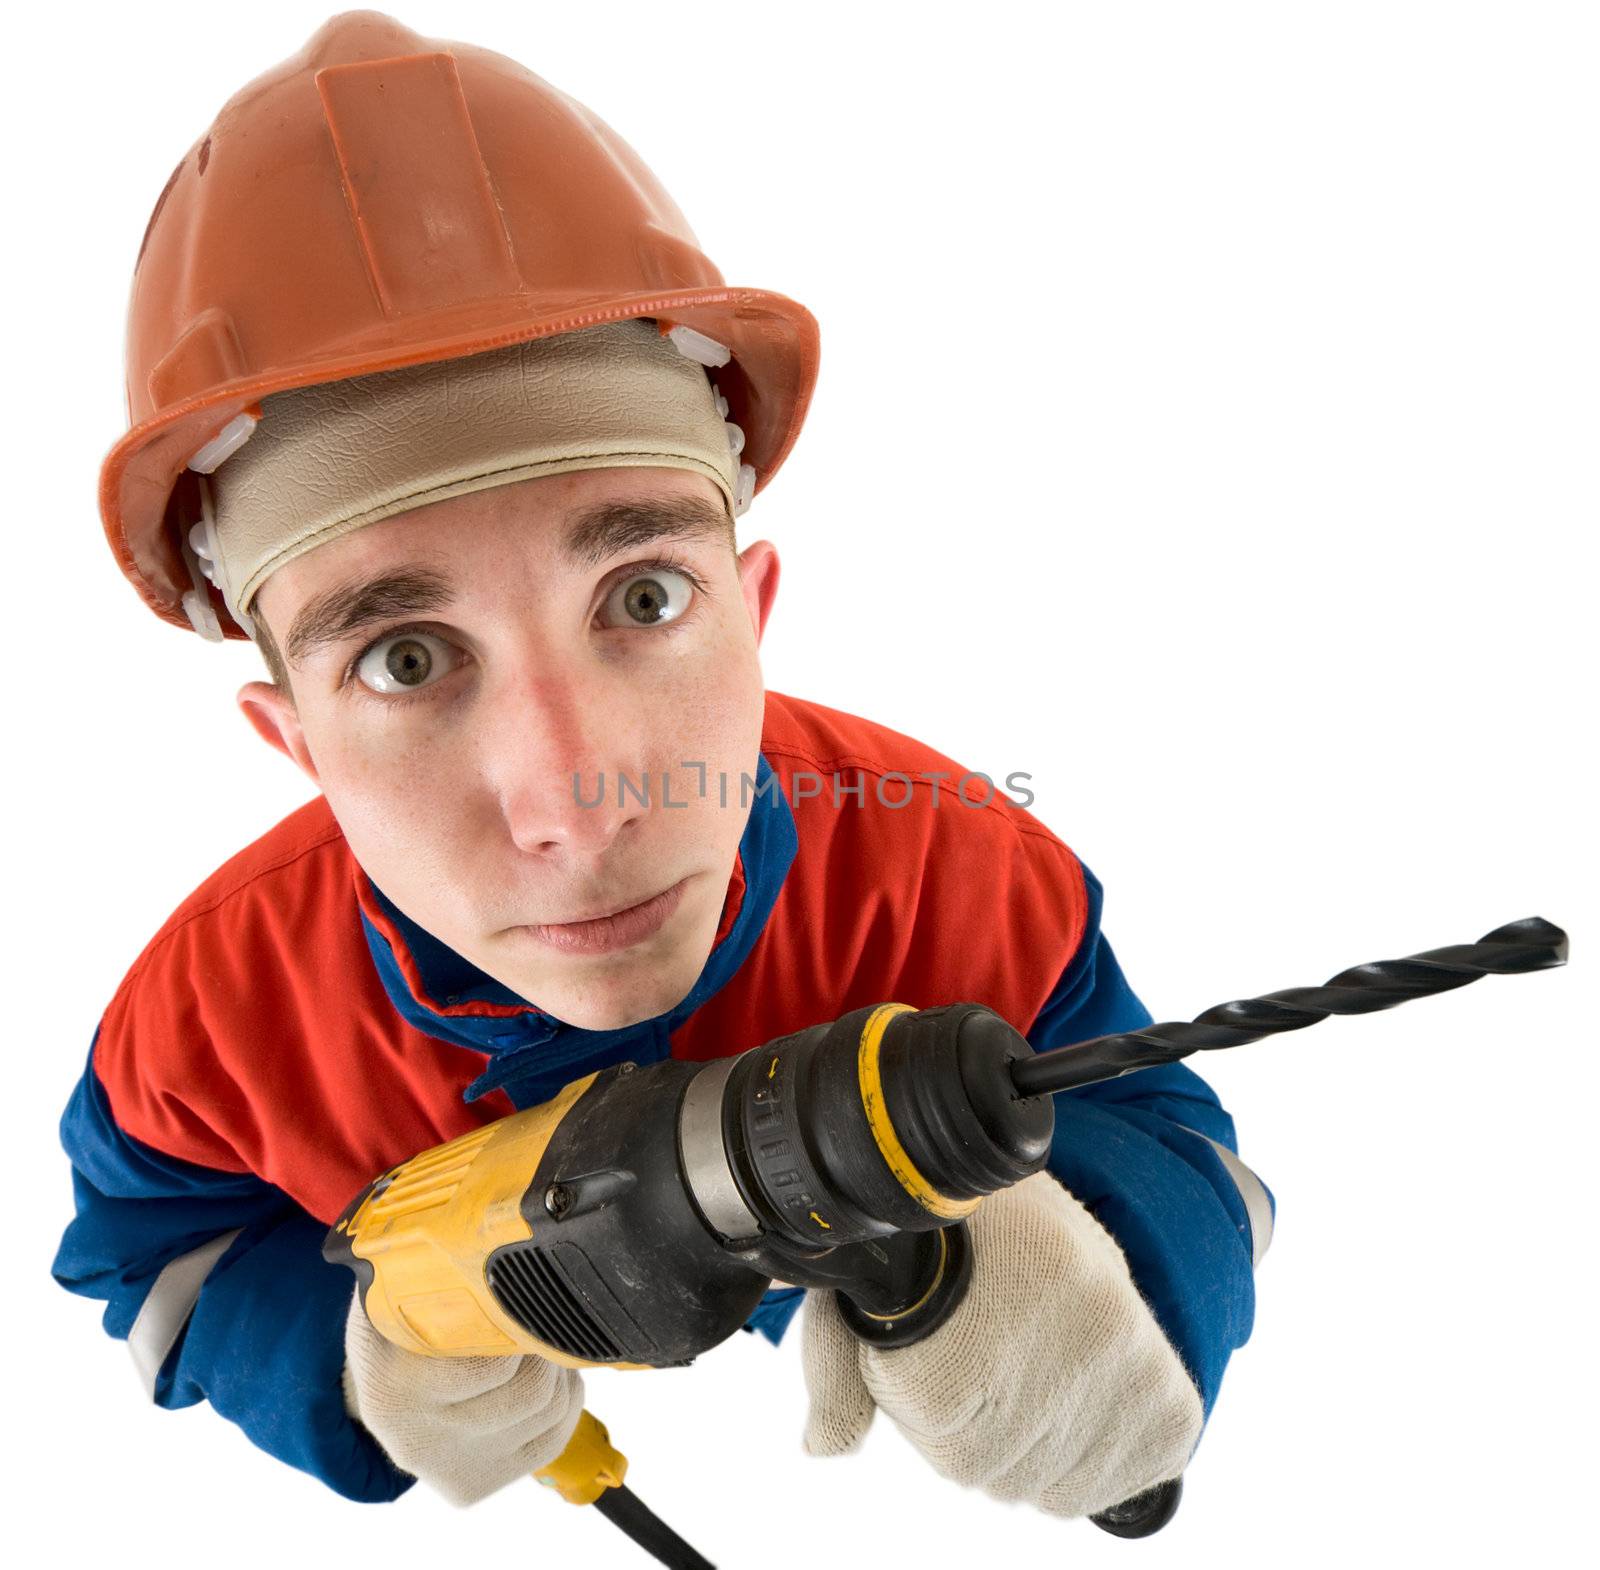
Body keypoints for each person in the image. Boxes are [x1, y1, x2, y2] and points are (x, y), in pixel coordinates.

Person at [53, 10, 1272, 1521]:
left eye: (641, 597)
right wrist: (354, 1363)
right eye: (406, 657)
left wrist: (1123, 1272)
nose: (573, 799)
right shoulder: (216, 1024)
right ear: (294, 743)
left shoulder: (951, 875)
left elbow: (1180, 1140)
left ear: (752, 617)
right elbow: (150, 1251)